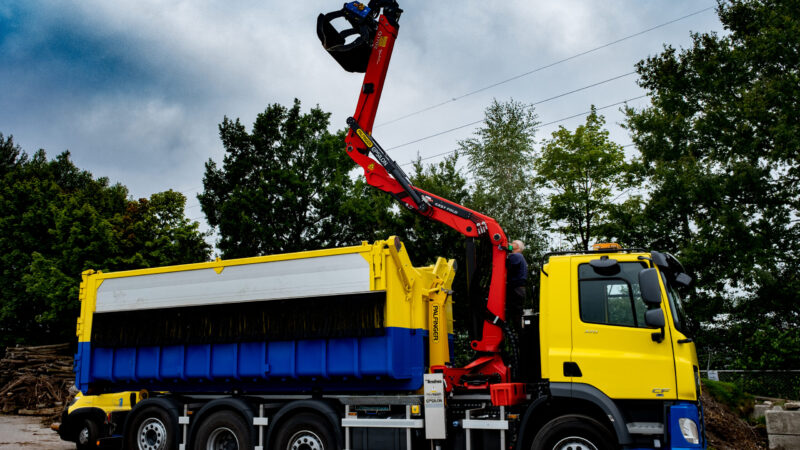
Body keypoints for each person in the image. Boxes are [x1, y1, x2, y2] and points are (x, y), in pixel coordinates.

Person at [506, 239, 528, 332]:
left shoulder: (516, 256)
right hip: (519, 289)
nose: (510, 244)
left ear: (518, 247)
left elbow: (506, 267)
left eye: (513, 243)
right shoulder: (520, 257)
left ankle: (519, 334)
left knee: (513, 315)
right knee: (516, 315)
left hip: (515, 289)